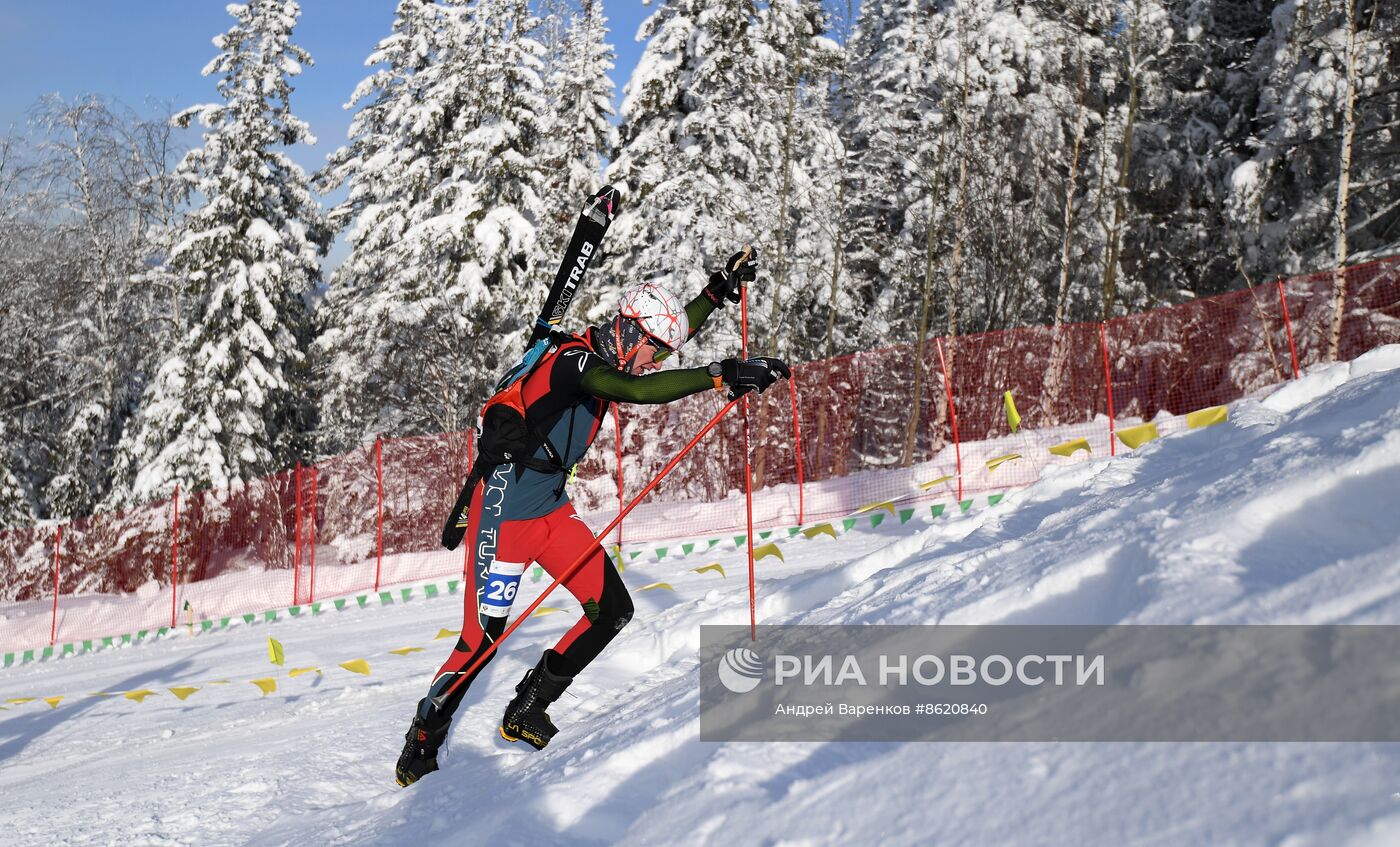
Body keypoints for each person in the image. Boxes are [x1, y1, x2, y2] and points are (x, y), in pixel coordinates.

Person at [396, 249, 791, 786]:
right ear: (629, 333)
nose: (657, 361)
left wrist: (717, 292)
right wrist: (720, 375)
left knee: (611, 609)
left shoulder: (616, 350)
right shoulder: (575, 362)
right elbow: (635, 389)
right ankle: (422, 739)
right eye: (654, 351)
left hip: (552, 513)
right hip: (504, 518)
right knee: (481, 639)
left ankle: (527, 707)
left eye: (661, 352)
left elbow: (658, 352)